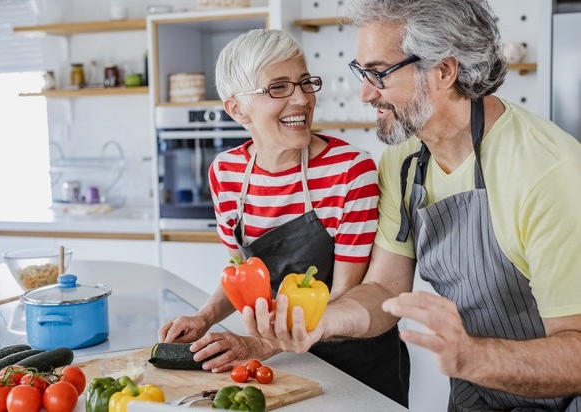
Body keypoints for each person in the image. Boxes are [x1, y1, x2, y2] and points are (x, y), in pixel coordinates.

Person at [243, 1, 581, 411]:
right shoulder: (404, 159)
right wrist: (318, 322)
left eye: (380, 73)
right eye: (362, 72)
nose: (365, 93)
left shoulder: (546, 171)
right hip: (475, 396)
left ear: (444, 70)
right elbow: (385, 287)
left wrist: (472, 356)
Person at [158, 28, 410, 407]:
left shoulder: (350, 172)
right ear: (237, 109)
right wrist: (205, 317)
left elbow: (344, 294)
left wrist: (260, 343)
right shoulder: (225, 174)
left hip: (355, 362)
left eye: (305, 83)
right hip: (280, 364)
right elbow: (242, 274)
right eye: (278, 88)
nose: (302, 99)